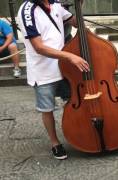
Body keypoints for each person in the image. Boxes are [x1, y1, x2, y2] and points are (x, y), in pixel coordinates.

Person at [17, 0, 89, 160]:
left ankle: (81, 132)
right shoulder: (27, 10)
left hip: (64, 68)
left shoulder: (56, 5)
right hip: (43, 71)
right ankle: (55, 143)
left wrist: (80, 5)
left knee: (76, 99)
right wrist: (70, 56)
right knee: (47, 109)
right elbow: (39, 47)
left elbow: (75, 23)